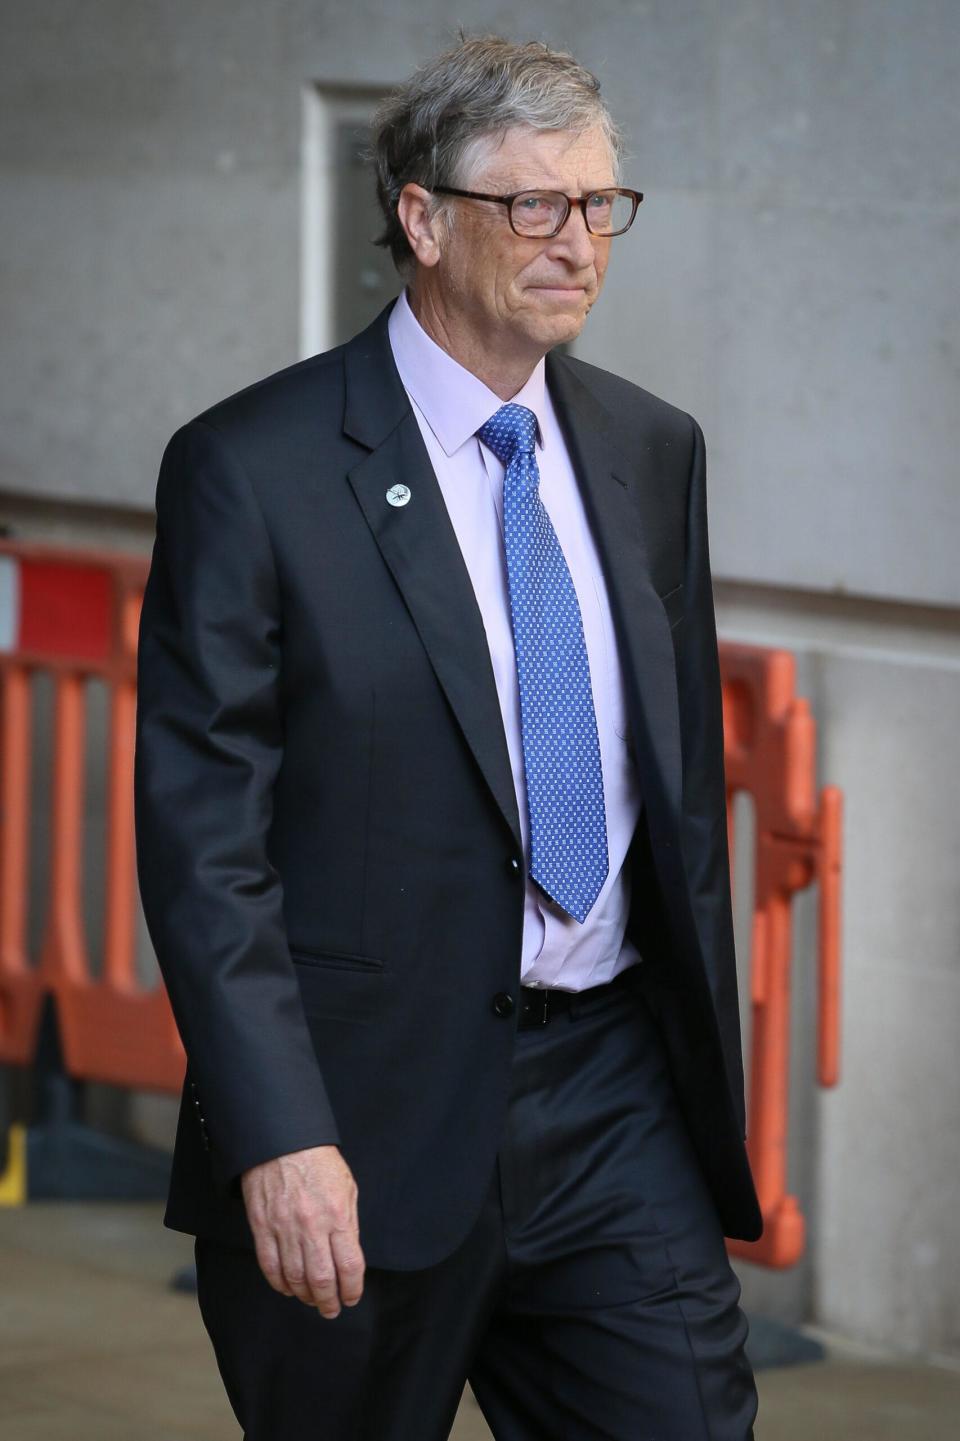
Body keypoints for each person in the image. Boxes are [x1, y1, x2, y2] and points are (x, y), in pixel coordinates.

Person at [135, 34, 762, 1441]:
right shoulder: (254, 469)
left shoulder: (653, 452)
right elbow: (204, 844)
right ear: (420, 218)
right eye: (533, 205)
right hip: (359, 1120)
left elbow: (673, 801)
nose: (579, 242)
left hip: (612, 1101)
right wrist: (280, 1131)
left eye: (602, 205)